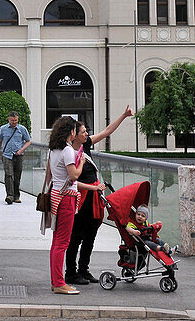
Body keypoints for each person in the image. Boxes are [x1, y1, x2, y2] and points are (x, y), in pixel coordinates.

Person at [64, 105, 134, 286]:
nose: (87, 134)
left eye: (87, 132)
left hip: (94, 197)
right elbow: (70, 180)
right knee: (76, 236)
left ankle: (83, 269)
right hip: (81, 198)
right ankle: (70, 272)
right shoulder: (69, 152)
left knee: (90, 236)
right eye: (84, 132)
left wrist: (124, 115)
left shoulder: (85, 147)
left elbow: (107, 131)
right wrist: (92, 188)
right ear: (75, 134)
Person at [45, 115, 83, 294]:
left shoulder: (53, 150)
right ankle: (60, 283)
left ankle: (55, 281)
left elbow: (49, 175)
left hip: (55, 195)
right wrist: (81, 163)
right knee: (63, 242)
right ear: (71, 132)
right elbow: (74, 175)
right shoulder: (68, 151)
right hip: (66, 197)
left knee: (56, 241)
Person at [0, 111, 31, 204]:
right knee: (9, 175)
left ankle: (16, 195)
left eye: (15, 120)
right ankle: (9, 195)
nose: (14, 122)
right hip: (7, 155)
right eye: (12, 120)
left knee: (17, 175)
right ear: (9, 119)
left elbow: (28, 141)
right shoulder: (3, 128)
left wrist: (21, 150)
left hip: (18, 155)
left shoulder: (22, 129)